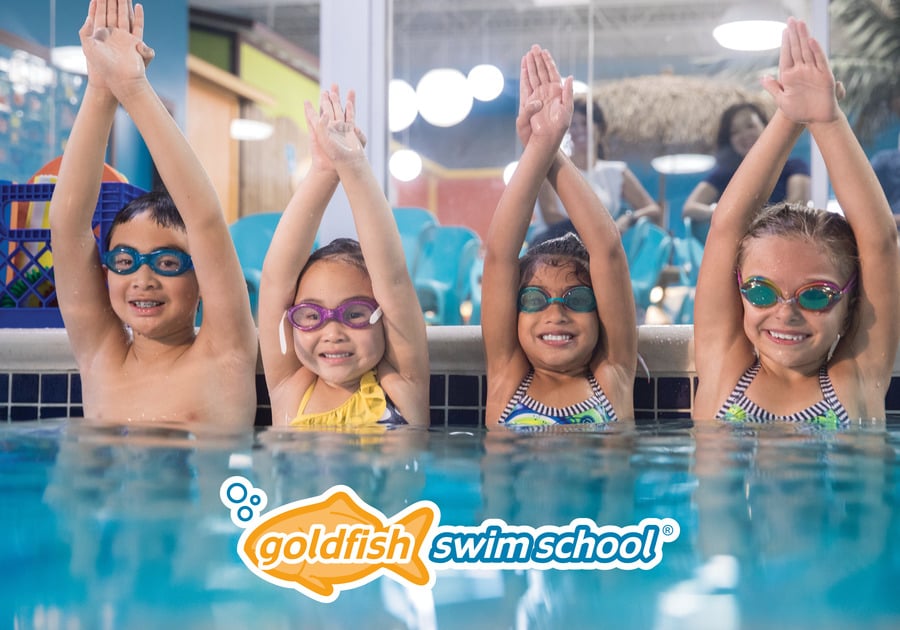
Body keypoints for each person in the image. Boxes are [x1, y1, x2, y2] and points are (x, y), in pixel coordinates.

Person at [49, 0, 258, 428]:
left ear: (203, 277)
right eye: (124, 262)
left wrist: (133, 87)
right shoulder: (100, 356)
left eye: (167, 263)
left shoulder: (225, 353)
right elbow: (68, 231)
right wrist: (100, 90)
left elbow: (204, 219)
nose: (143, 279)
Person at [692, 18, 900, 426]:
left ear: (850, 302)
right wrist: (788, 117)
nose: (785, 313)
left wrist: (828, 121)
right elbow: (725, 230)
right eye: (762, 293)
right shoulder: (723, 370)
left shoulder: (856, 378)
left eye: (816, 295)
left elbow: (879, 242)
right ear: (740, 292)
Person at [481, 45, 637, 428]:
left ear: (601, 311)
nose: (557, 314)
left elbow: (608, 250)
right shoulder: (507, 374)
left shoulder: (611, 374)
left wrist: (551, 149)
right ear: (515, 312)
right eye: (533, 299)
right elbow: (501, 255)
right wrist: (540, 146)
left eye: (578, 298)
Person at [258, 86, 429, 428]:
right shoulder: (290, 388)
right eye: (310, 315)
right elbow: (276, 279)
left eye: (355, 313)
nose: (332, 331)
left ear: (384, 315)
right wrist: (323, 170)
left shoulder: (402, 386)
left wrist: (352, 165)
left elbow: (392, 278)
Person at [530, 95, 661, 246]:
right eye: (573, 125)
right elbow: (550, 215)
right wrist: (598, 230)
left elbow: (653, 209)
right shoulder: (552, 165)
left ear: (599, 128)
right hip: (554, 243)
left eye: (585, 124)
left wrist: (628, 218)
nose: (579, 130)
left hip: (599, 246)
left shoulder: (616, 172)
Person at [682, 102, 811, 241]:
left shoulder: (794, 167)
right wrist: (721, 214)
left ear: (766, 126)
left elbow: (797, 208)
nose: (744, 135)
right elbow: (689, 207)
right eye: (735, 132)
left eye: (750, 126)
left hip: (784, 242)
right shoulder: (725, 175)